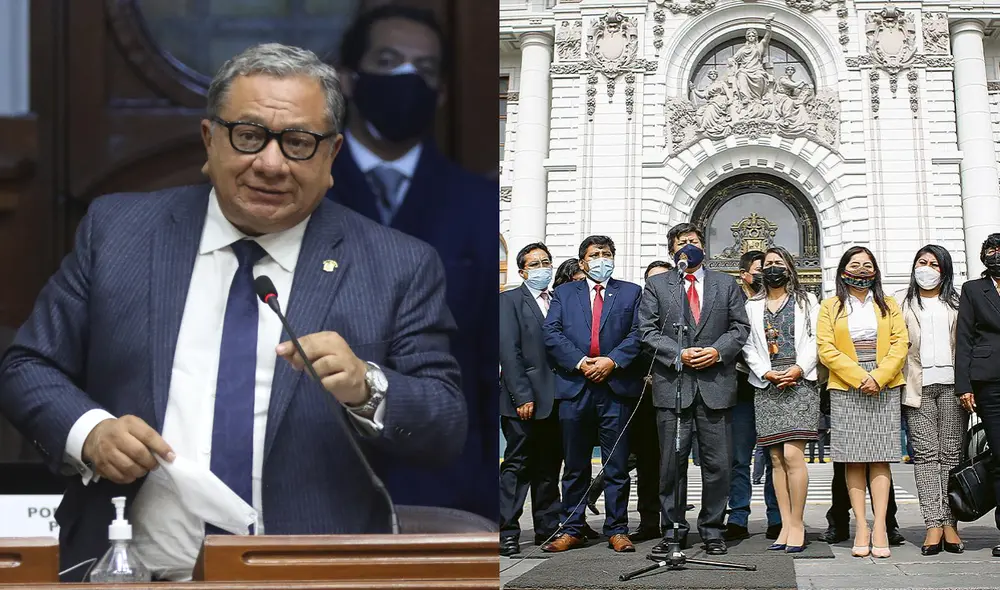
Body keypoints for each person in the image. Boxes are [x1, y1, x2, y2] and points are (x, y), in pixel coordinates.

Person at [0, 44, 466, 581]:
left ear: (332, 156)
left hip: (313, 575)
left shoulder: (397, 265)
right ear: (209, 140)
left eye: (298, 143)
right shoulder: (118, 232)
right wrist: (91, 431)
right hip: (129, 570)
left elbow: (447, 425)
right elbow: (27, 367)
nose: (270, 164)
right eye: (248, 136)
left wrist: (369, 387)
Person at [325, 5, 498, 520]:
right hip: (321, 480)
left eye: (422, 70)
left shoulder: (479, 205)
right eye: (388, 61)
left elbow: (493, 366)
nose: (405, 80)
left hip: (447, 485)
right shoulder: (300, 192)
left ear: (441, 91)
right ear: (348, 79)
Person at [639, 222, 750, 556]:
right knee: (672, 465)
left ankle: (713, 529)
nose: (690, 245)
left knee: (718, 465)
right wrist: (678, 353)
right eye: (683, 241)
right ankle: (674, 530)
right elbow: (646, 331)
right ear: (672, 249)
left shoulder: (725, 284)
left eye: (696, 241)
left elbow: (740, 327)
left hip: (716, 385)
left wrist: (717, 351)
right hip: (673, 387)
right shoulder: (658, 285)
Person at [542, 236, 642, 553]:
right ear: (583, 262)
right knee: (575, 466)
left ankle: (618, 529)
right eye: (595, 254)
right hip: (576, 387)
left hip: (615, 388)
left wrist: (612, 361)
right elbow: (552, 333)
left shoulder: (630, 292)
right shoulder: (563, 293)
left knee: (616, 466)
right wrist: (582, 362)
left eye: (607, 254)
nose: (602, 259)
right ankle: (571, 528)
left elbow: (638, 334)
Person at [817, 246, 908, 559]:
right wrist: (858, 376)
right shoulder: (830, 305)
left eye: (867, 265)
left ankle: (881, 524)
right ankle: (861, 525)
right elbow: (826, 348)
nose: (861, 270)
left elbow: (900, 343)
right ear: (843, 270)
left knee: (880, 457)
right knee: (853, 458)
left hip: (883, 382)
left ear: (876, 270)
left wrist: (879, 377)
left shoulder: (889, 304)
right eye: (854, 265)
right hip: (846, 383)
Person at [741, 247, 820, 553]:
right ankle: (785, 524)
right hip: (768, 383)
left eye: (779, 263)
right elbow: (747, 345)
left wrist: (800, 368)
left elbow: (817, 339)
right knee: (775, 458)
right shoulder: (751, 305)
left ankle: (798, 523)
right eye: (768, 264)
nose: (773, 268)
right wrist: (765, 372)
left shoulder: (807, 301)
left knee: (792, 455)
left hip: (800, 382)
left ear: (790, 267)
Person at [898, 245, 965, 556]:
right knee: (926, 456)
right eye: (922, 262)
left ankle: (950, 520)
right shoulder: (903, 302)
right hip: (918, 387)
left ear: (945, 270)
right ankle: (932, 523)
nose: (926, 268)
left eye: (934, 264)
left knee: (951, 455)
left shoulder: (957, 301)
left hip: (954, 387)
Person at [499, 243, 562, 556]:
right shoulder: (509, 301)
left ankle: (548, 528)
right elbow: (509, 354)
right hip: (521, 402)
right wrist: (522, 395)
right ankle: (506, 531)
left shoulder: (558, 300)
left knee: (549, 468)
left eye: (546, 262)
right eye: (535, 264)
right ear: (523, 271)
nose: (542, 268)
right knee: (518, 466)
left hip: (557, 399)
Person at [726, 250, 782, 543]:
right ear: (744, 275)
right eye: (760, 269)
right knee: (739, 456)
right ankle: (737, 515)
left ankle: (777, 515)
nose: (765, 274)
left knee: (776, 456)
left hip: (777, 386)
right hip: (742, 388)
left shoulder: (782, 303)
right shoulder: (733, 303)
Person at [956, 233, 1000, 558]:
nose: (995, 254)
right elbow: (965, 337)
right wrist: (964, 385)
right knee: (999, 457)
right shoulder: (973, 289)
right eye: (990, 249)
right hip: (989, 383)